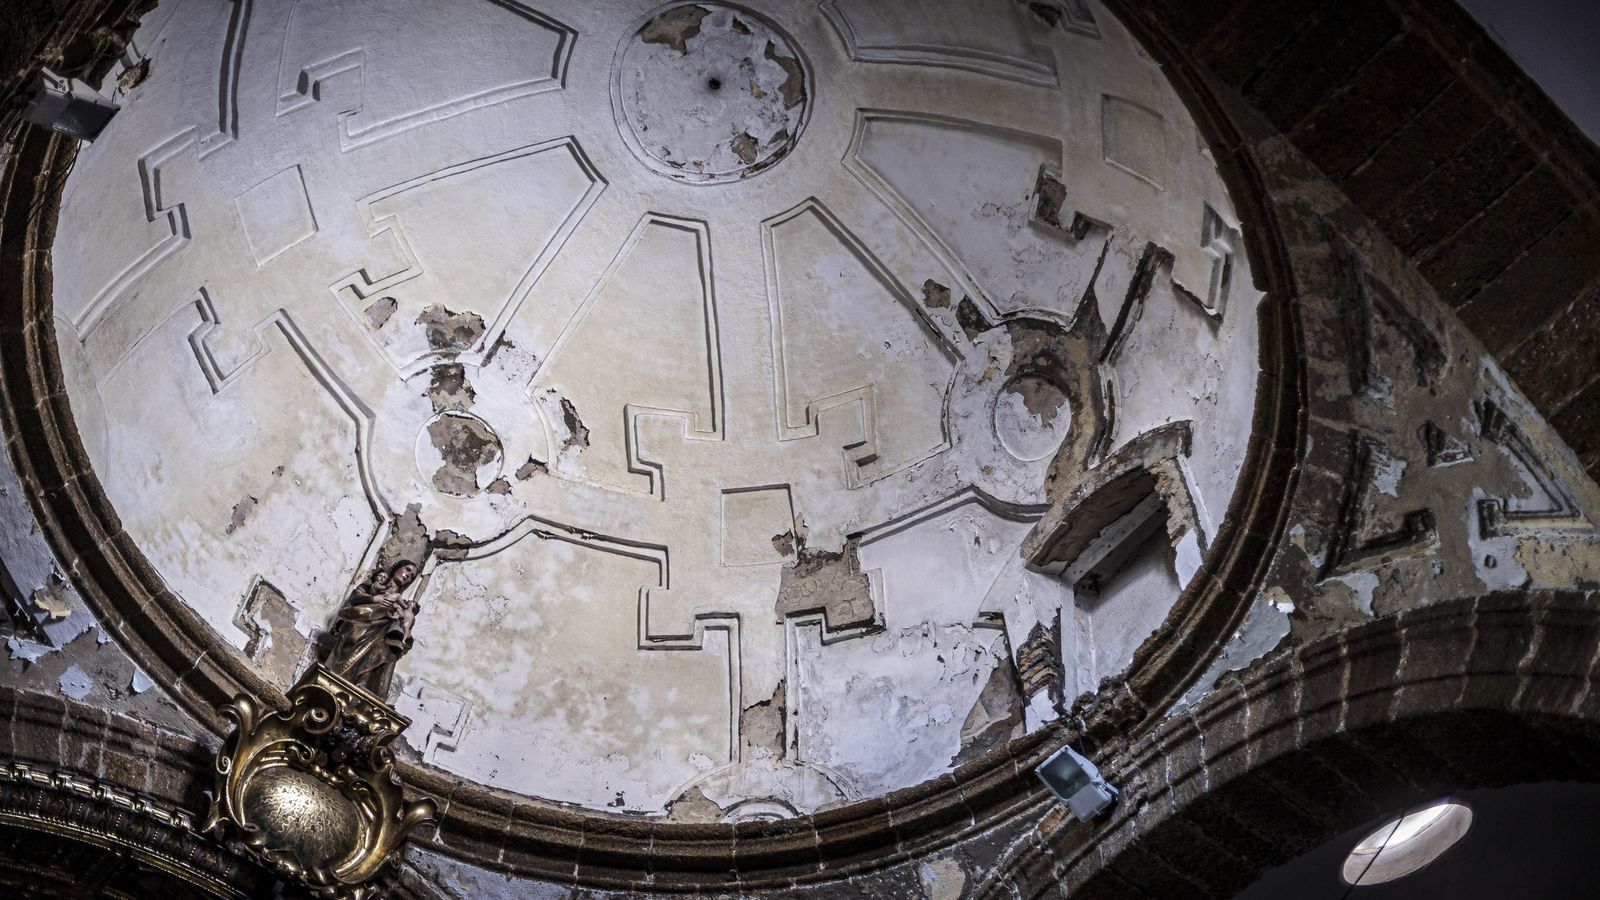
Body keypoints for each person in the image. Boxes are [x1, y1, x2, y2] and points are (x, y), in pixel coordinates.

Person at [324, 560, 420, 696]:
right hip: (362, 619)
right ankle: (342, 675)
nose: (407, 576)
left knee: (391, 642)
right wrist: (375, 599)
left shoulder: (402, 602)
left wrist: (403, 625)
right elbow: (356, 597)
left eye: (411, 577)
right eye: (407, 570)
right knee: (378, 628)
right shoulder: (377, 583)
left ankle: (364, 683)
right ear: (396, 568)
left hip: (382, 630)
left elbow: (405, 628)